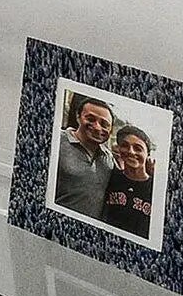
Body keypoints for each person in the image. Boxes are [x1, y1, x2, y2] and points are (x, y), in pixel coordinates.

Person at [53, 93, 117, 221]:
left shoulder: (109, 159)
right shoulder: (56, 141)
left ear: (110, 130)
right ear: (78, 117)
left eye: (104, 124)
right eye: (90, 119)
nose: (97, 127)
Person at [100, 123, 158, 240]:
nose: (131, 151)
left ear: (147, 154)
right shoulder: (111, 176)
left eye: (138, 148)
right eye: (125, 146)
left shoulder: (156, 188)